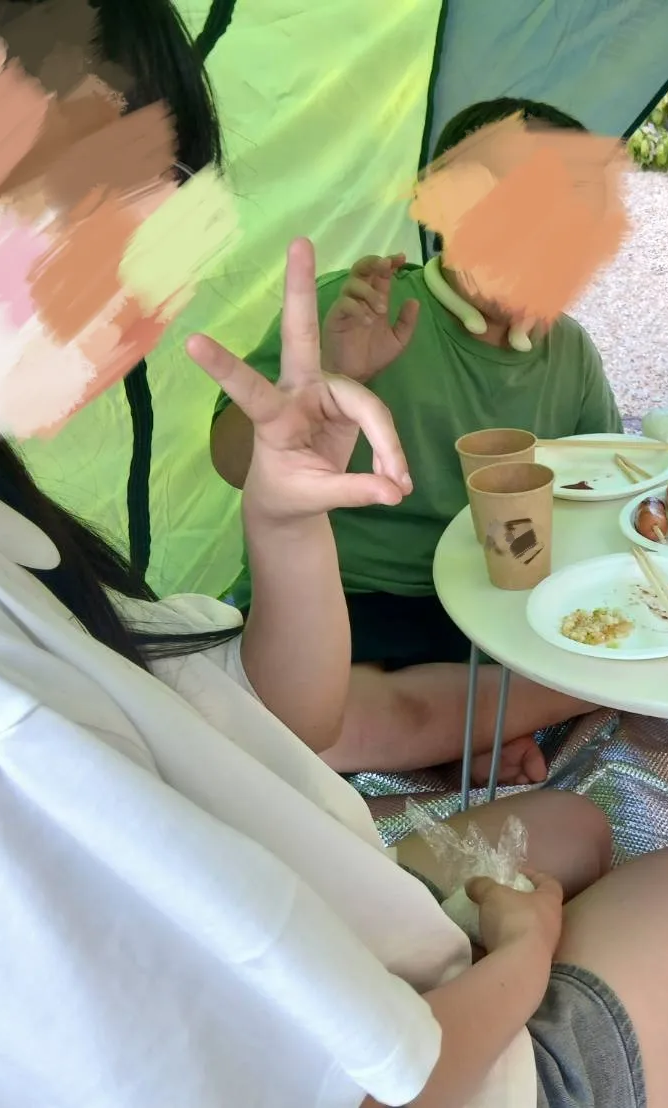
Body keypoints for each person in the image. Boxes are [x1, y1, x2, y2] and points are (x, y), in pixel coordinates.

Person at [0, 6, 668, 1106]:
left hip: (335, 835)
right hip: (429, 1029)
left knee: (567, 820)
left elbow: (283, 716)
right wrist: (523, 952)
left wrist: (285, 517)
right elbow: (382, 1080)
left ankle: (508, 737)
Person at [211, 99, 622, 787]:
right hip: (347, 599)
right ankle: (496, 720)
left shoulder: (569, 350)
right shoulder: (356, 315)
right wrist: (334, 377)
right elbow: (231, 463)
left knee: (362, 721)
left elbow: (602, 489)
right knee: (301, 723)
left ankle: (459, 729)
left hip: (489, 604)